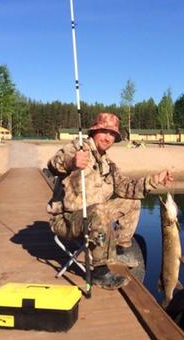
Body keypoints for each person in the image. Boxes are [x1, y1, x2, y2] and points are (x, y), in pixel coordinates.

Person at [47, 112, 173, 290]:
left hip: (95, 215)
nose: (108, 138)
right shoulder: (77, 148)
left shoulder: (107, 163)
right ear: (94, 131)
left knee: (132, 201)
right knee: (98, 211)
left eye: (112, 134)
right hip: (67, 220)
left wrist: (154, 180)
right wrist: (71, 163)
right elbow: (52, 165)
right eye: (104, 132)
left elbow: (127, 187)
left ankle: (119, 250)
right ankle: (99, 272)